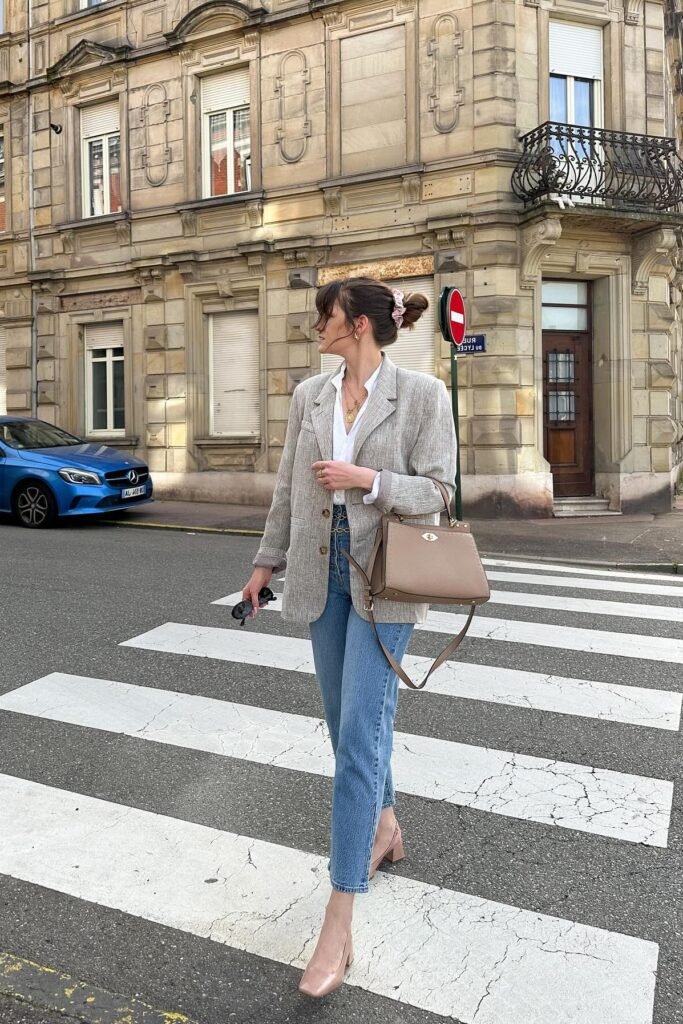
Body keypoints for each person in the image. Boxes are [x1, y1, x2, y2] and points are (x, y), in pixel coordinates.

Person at [241, 276, 457, 998]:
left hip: (385, 579)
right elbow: (287, 489)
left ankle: (337, 924)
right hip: (319, 575)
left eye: (325, 315)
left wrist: (369, 478)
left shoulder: (422, 395)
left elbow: (440, 491)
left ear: (357, 324)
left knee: (359, 741)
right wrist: (264, 564)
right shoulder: (311, 395)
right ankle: (385, 828)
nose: (317, 326)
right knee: (345, 730)